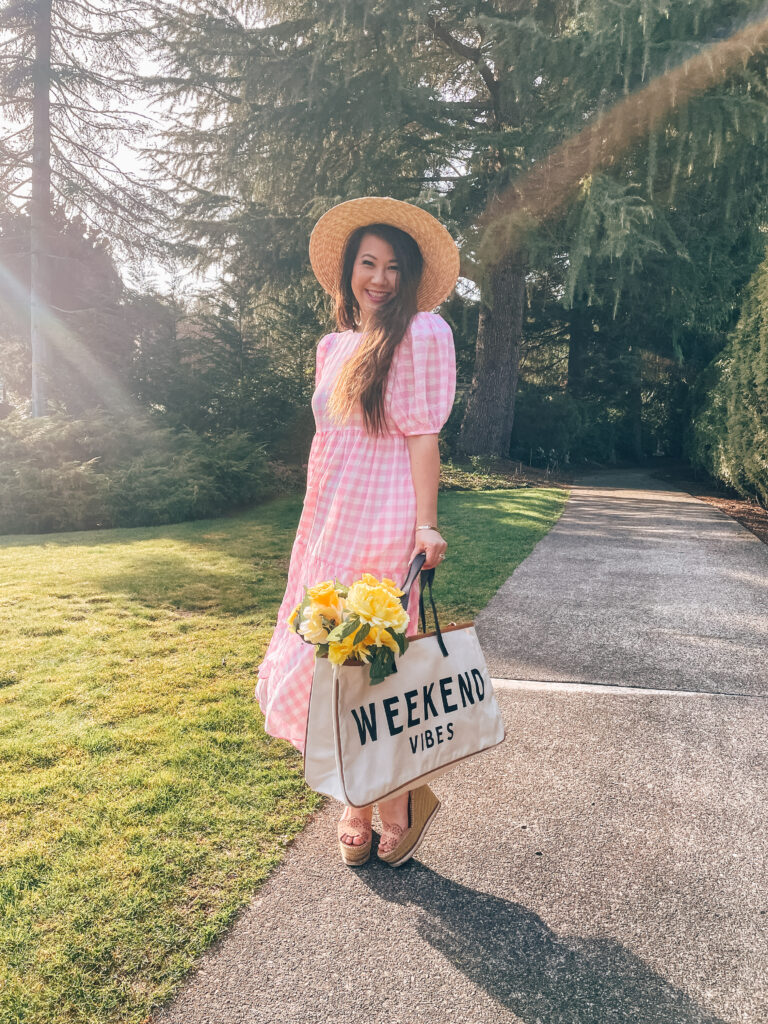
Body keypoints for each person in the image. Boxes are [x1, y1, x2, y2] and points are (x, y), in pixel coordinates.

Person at [255, 196, 460, 866]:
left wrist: (426, 525)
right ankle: (359, 797)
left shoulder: (424, 332)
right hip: (330, 519)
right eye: (368, 263)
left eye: (394, 267)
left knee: (376, 667)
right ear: (348, 272)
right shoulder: (332, 345)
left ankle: (389, 801)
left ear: (410, 277)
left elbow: (423, 435)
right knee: (335, 665)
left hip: (386, 517)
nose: (380, 278)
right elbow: (331, 441)